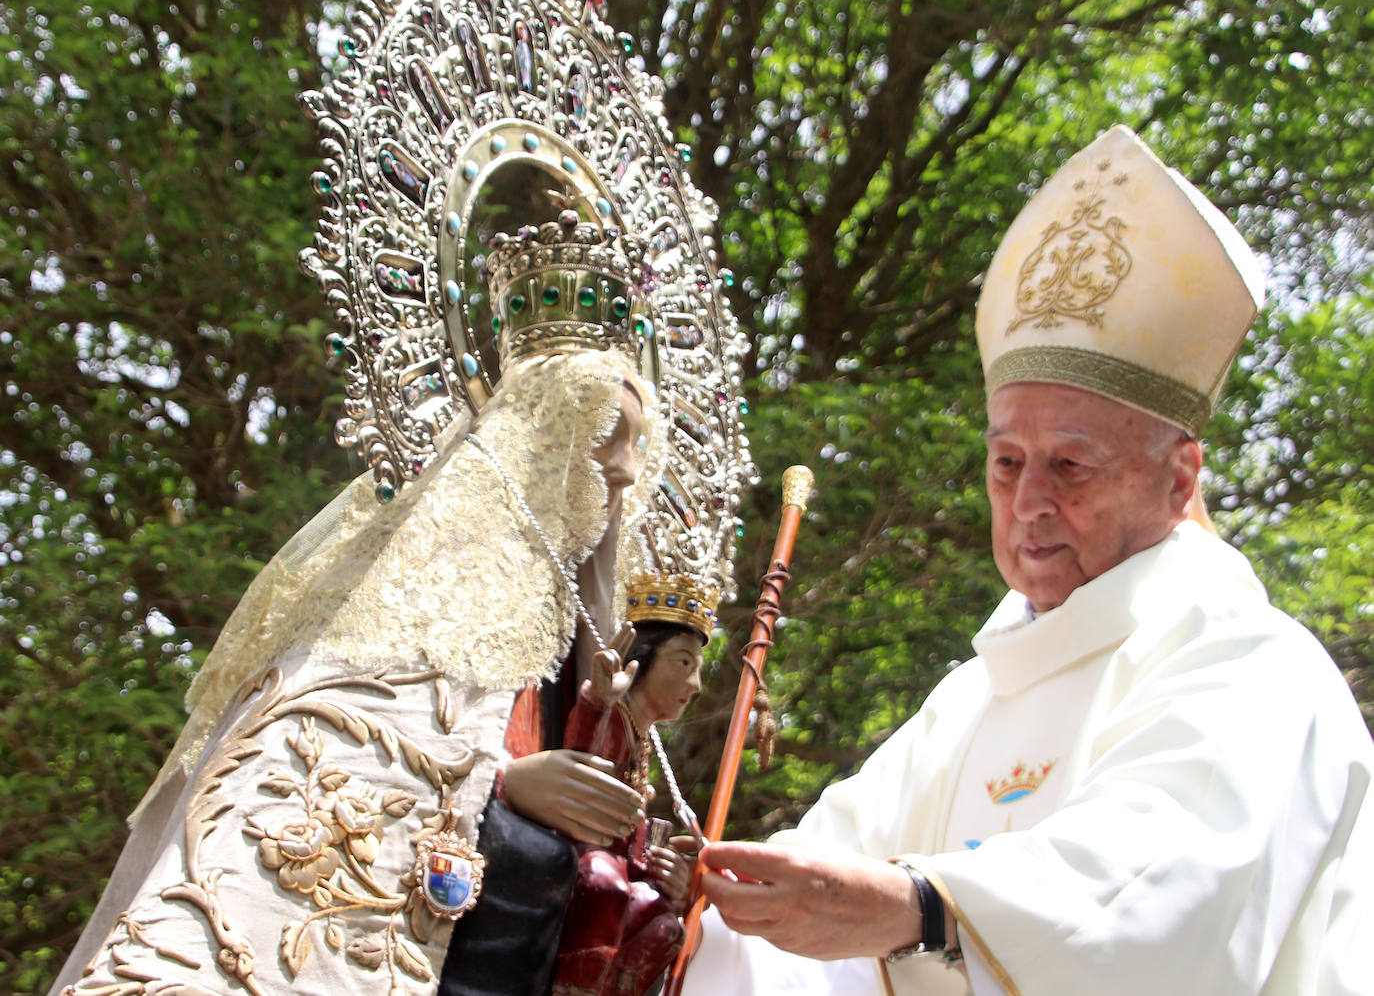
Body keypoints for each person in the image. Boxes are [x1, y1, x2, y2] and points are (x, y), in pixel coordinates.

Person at [682, 125, 1373, 996]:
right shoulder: (971, 702)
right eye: (1007, 462)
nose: (1030, 502)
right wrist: (675, 914)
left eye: (1071, 465)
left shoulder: (1254, 669)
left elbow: (1164, 910)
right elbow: (798, 923)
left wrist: (923, 907)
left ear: (1178, 476)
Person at [51, 218, 666, 996]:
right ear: (539, 441)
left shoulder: (582, 658)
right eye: (604, 438)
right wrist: (502, 785)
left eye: (634, 447)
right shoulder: (399, 601)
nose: (621, 470)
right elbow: (329, 772)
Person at [551, 573, 715, 996]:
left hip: (616, 865)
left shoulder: (642, 741)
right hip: (582, 854)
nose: (695, 686)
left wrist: (672, 877)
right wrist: (596, 701)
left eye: (697, 669)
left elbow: (631, 840)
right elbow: (581, 756)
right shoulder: (616, 717)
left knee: (664, 921)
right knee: (604, 881)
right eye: (684, 663)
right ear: (643, 657)